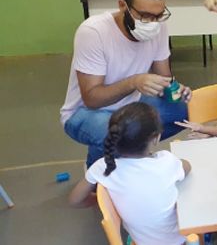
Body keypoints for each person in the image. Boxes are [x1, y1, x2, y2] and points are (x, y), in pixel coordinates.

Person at [60, 0, 191, 167]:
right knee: (117, 132)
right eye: (145, 15)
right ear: (123, 6)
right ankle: (101, 167)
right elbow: (92, 99)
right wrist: (134, 82)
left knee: (185, 109)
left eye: (159, 15)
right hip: (84, 113)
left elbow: (165, 78)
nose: (153, 23)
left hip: (130, 106)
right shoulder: (93, 32)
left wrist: (176, 89)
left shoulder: (159, 26)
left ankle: (131, 150)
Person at [68, 102, 191, 245]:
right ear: (156, 138)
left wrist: (107, 202)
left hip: (140, 241)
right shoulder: (166, 162)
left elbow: (74, 200)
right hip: (179, 240)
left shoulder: (103, 166)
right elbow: (187, 166)